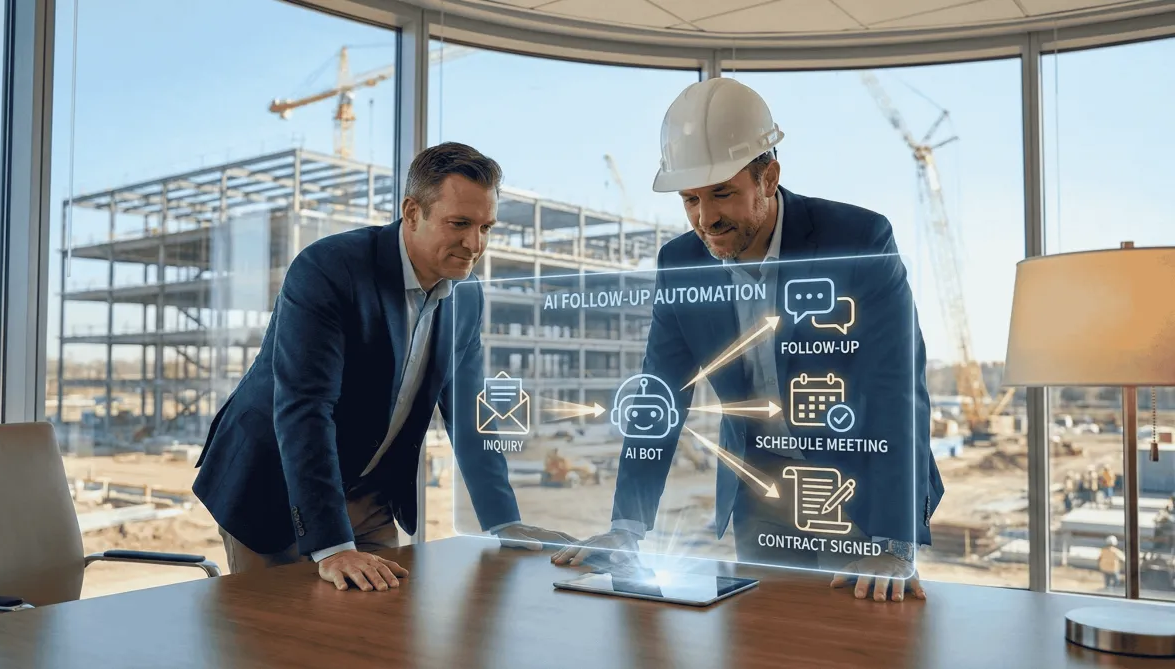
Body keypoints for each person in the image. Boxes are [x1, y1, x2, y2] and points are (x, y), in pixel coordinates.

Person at [552, 78, 945, 604]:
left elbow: (896, 390)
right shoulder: (681, 262)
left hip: (860, 486)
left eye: (722, 193)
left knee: (861, 632)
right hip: (762, 491)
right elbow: (661, 393)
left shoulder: (858, 240)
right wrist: (627, 526)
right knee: (763, 631)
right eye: (690, 199)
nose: (705, 219)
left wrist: (894, 541)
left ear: (769, 177)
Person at [193, 142, 572, 591]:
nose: (475, 244)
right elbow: (304, 407)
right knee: (278, 628)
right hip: (273, 487)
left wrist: (503, 522)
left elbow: (470, 414)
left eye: (486, 227)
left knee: (382, 623)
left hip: (368, 496)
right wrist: (333, 546)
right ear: (412, 213)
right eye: (460, 224)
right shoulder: (329, 268)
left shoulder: (467, 296)